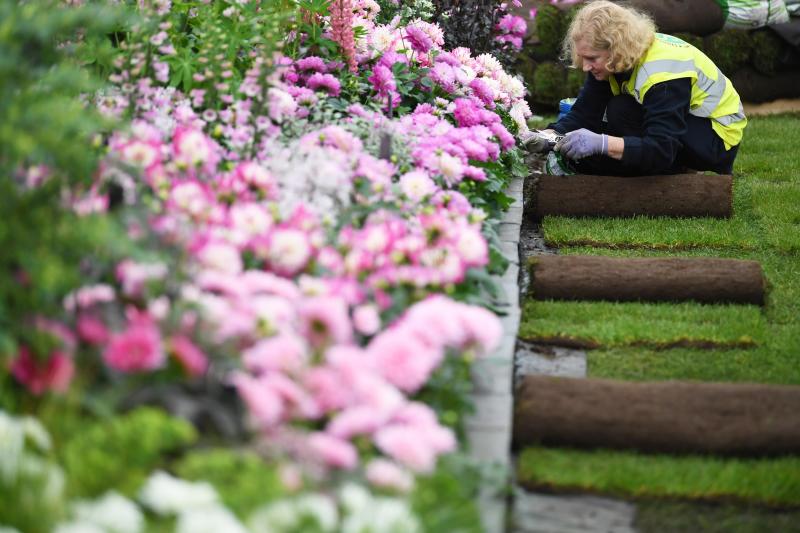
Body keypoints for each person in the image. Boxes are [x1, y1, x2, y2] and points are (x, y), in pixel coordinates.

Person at [524, 0, 747, 176]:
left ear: (617, 48)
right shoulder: (612, 62)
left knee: (620, 113)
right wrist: (547, 135)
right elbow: (584, 114)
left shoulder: (663, 73)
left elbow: (661, 147)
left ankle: (670, 171)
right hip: (684, 126)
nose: (584, 66)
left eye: (592, 58)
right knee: (617, 113)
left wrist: (602, 143)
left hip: (715, 140)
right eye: (582, 58)